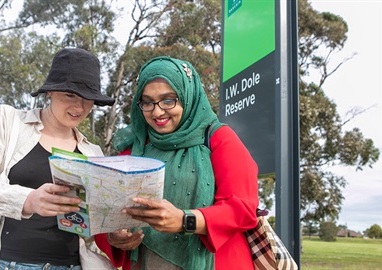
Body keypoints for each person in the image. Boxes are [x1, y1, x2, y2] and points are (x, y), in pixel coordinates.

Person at [94, 56, 259, 269]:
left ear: (187, 96)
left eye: (168, 100)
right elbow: (104, 216)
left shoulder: (218, 139)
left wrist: (184, 220)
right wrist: (114, 238)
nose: (157, 111)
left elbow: (243, 209)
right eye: (147, 102)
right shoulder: (132, 148)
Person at [0, 48, 115, 270]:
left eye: (88, 99)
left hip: (72, 265)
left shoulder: (93, 153)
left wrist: (117, 230)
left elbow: (90, 228)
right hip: (8, 263)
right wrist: (29, 200)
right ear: (50, 92)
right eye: (70, 94)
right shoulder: (7, 122)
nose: (79, 107)